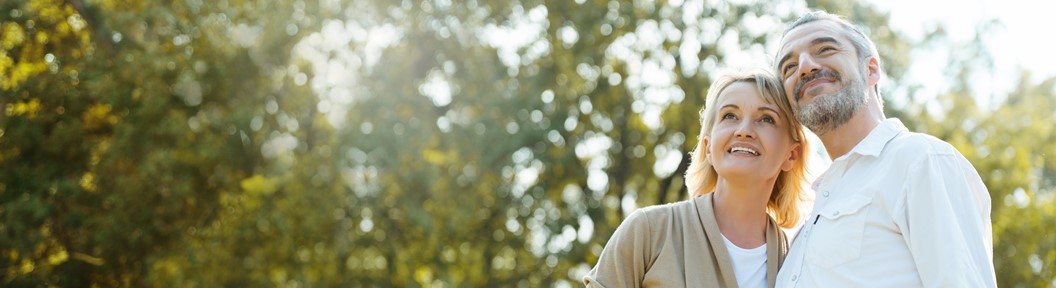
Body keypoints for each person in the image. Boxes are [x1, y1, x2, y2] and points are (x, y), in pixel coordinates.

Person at [771, 10, 997, 287]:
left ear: (872, 69)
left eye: (825, 49)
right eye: (789, 68)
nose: (805, 66)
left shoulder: (920, 159)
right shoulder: (805, 223)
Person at [583, 69, 811, 288]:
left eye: (766, 119)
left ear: (791, 155)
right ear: (708, 147)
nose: (744, 130)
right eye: (729, 115)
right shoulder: (649, 231)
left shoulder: (798, 262)